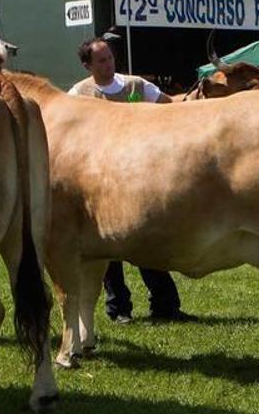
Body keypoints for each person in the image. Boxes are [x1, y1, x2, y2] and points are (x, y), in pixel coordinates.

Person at [67, 36, 196, 323]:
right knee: (107, 249)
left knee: (147, 242)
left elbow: (170, 106)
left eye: (110, 57)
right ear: (87, 65)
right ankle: (118, 308)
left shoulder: (136, 85)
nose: (109, 63)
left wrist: (194, 103)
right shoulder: (78, 94)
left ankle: (165, 306)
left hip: (139, 176)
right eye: (101, 60)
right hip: (99, 178)